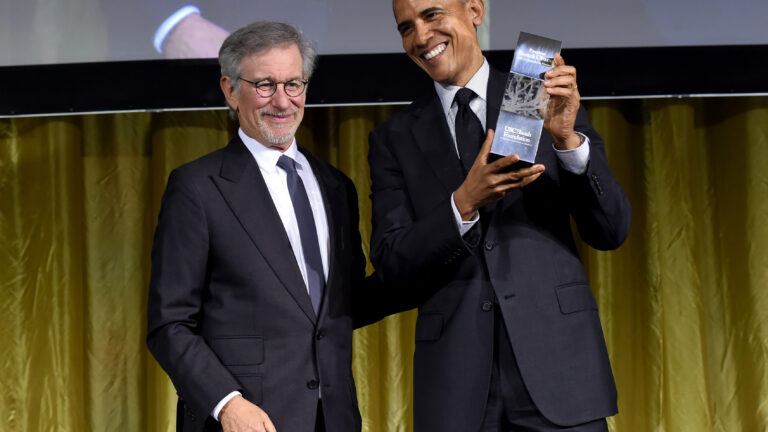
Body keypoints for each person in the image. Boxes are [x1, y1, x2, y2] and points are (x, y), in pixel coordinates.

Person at [367, 0, 632, 431]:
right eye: (406, 28)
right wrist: (461, 205)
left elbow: (611, 230)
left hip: (560, 374)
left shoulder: (538, 94)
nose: (419, 37)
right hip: (456, 387)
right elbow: (393, 262)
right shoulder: (393, 138)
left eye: (432, 15)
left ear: (475, 9)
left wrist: (568, 143)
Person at [147, 21, 392, 432]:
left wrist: (448, 235)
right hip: (242, 422)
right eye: (264, 85)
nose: (282, 101)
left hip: (333, 420)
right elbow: (169, 323)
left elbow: (342, 306)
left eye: (293, 84)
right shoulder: (196, 188)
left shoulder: (336, 187)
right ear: (230, 89)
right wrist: (226, 404)